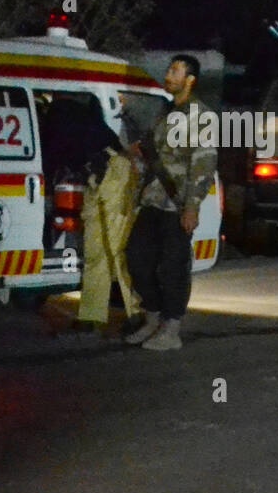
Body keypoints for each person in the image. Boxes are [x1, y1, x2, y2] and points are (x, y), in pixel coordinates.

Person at [123, 54, 217, 351]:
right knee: (137, 258)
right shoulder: (166, 113)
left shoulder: (200, 116)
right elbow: (157, 152)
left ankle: (171, 329)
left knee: (174, 266)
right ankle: (152, 317)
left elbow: (203, 164)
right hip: (152, 199)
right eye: (169, 69)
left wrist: (192, 206)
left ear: (190, 79)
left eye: (175, 71)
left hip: (177, 203)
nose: (168, 74)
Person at [76, 97, 143, 333]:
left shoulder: (125, 119)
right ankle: (91, 315)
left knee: (117, 250)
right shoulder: (97, 121)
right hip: (99, 175)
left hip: (114, 172)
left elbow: (135, 150)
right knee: (97, 252)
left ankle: (135, 313)